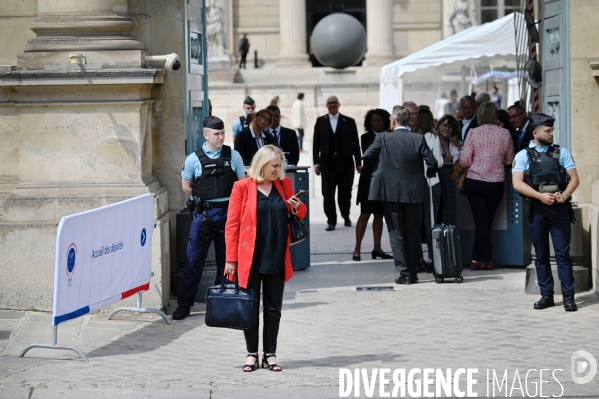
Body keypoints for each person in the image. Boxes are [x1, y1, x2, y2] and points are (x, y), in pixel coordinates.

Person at [225, 145, 307, 372]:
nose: (278, 170)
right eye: (274, 166)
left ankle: (270, 353)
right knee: (250, 308)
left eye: (280, 165)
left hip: (277, 256)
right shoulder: (242, 187)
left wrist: (298, 206)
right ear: (262, 165)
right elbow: (231, 225)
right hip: (249, 258)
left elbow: (299, 213)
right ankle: (252, 353)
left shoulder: (284, 185)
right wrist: (231, 259)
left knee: (273, 309)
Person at [173, 116, 247, 321]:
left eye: (223, 133)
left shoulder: (234, 156)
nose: (221, 137)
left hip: (229, 214)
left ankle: (224, 302)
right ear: (206, 135)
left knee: (228, 261)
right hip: (204, 215)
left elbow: (243, 184)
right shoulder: (193, 159)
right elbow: (186, 187)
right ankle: (184, 304)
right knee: (194, 260)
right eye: (216, 134)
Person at [363, 105, 437, 285]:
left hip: (390, 192)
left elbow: (367, 155)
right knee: (412, 233)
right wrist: (428, 172)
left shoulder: (383, 138)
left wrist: (382, 166)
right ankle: (414, 271)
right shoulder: (418, 138)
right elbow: (432, 161)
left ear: (393, 121)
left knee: (396, 233)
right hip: (413, 192)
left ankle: (405, 273)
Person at [512, 113, 579, 311]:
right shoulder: (523, 155)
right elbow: (517, 183)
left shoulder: (562, 152)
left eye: (552, 130)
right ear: (535, 133)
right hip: (537, 209)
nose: (551, 134)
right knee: (540, 255)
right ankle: (546, 295)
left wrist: (564, 195)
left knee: (563, 254)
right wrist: (540, 196)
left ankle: (569, 297)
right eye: (547, 131)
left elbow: (574, 179)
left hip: (559, 209)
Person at [460, 102, 515, 271]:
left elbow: (464, 160)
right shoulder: (505, 133)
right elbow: (509, 159)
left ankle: (486, 260)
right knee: (485, 222)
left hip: (475, 181)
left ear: (480, 115)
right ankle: (476, 259)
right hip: (496, 183)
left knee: (481, 222)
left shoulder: (473, 133)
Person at [313, 95, 362, 231]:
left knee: (345, 192)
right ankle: (331, 220)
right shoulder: (320, 121)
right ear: (327, 105)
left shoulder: (349, 121)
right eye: (330, 103)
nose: (332, 105)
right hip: (327, 163)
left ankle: (346, 216)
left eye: (335, 103)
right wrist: (316, 163)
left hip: (345, 162)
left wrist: (358, 162)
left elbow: (355, 144)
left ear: (339, 104)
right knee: (328, 193)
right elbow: (316, 144)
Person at [353, 109, 393, 262]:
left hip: (384, 180)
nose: (376, 123)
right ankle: (357, 248)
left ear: (385, 122)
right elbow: (371, 155)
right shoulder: (366, 137)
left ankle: (377, 248)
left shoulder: (391, 136)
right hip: (369, 180)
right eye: (373, 121)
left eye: (379, 121)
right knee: (365, 213)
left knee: (379, 214)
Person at [412, 108, 445, 270]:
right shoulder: (433, 136)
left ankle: (418, 258)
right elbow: (438, 161)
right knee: (431, 222)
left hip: (416, 183)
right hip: (432, 181)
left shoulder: (412, 136)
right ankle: (433, 259)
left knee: (416, 224)